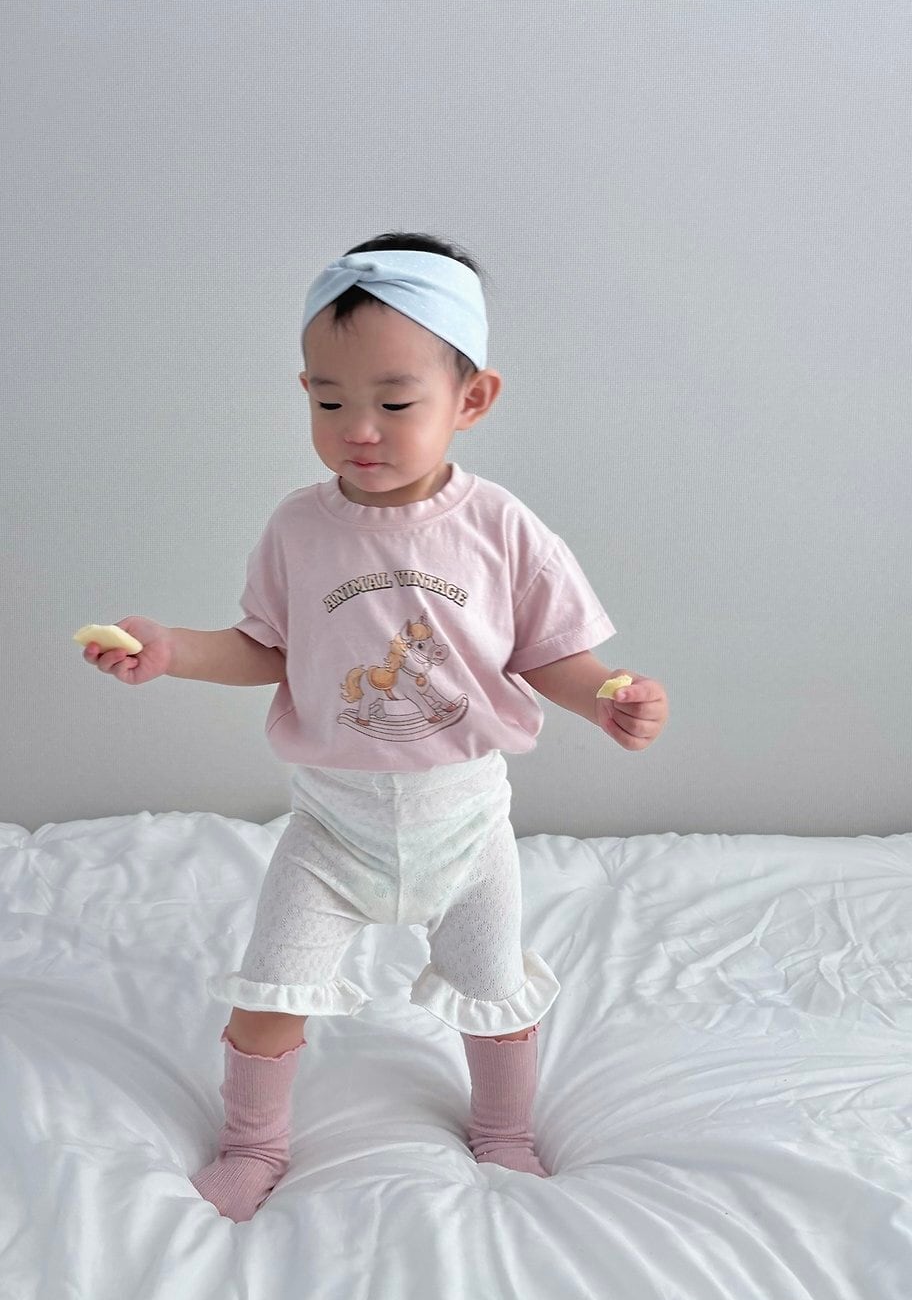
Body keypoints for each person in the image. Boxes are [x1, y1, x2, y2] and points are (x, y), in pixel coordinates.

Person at [81, 232, 670, 1221]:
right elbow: (267, 649)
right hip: (331, 828)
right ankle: (252, 1144)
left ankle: (503, 1131)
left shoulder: (500, 529)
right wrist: (173, 650)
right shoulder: (298, 528)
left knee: (494, 992)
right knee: (269, 991)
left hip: (464, 826)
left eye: (395, 404)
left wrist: (606, 694)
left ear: (470, 399)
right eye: (327, 401)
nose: (358, 428)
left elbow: (547, 653)